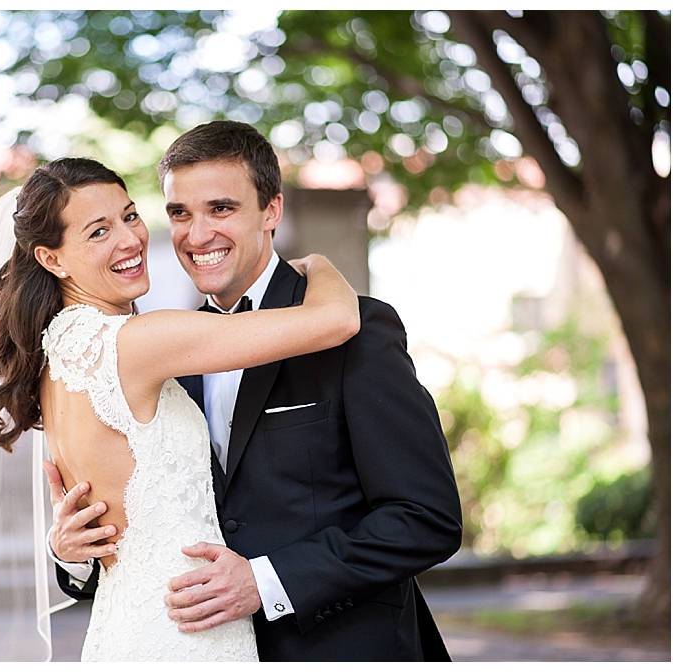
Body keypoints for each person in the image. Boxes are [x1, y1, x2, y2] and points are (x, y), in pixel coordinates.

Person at [0, 156, 360, 662]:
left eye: (130, 216)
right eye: (98, 232)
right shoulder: (135, 344)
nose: (130, 240)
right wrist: (315, 266)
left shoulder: (55, 354)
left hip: (130, 623)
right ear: (52, 259)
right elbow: (336, 318)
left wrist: (68, 554)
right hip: (188, 626)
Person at [46, 121, 464, 661]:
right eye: (180, 213)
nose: (196, 236)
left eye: (220, 209)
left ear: (271, 210)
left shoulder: (357, 331)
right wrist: (73, 553)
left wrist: (268, 582)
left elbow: (426, 518)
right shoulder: (162, 354)